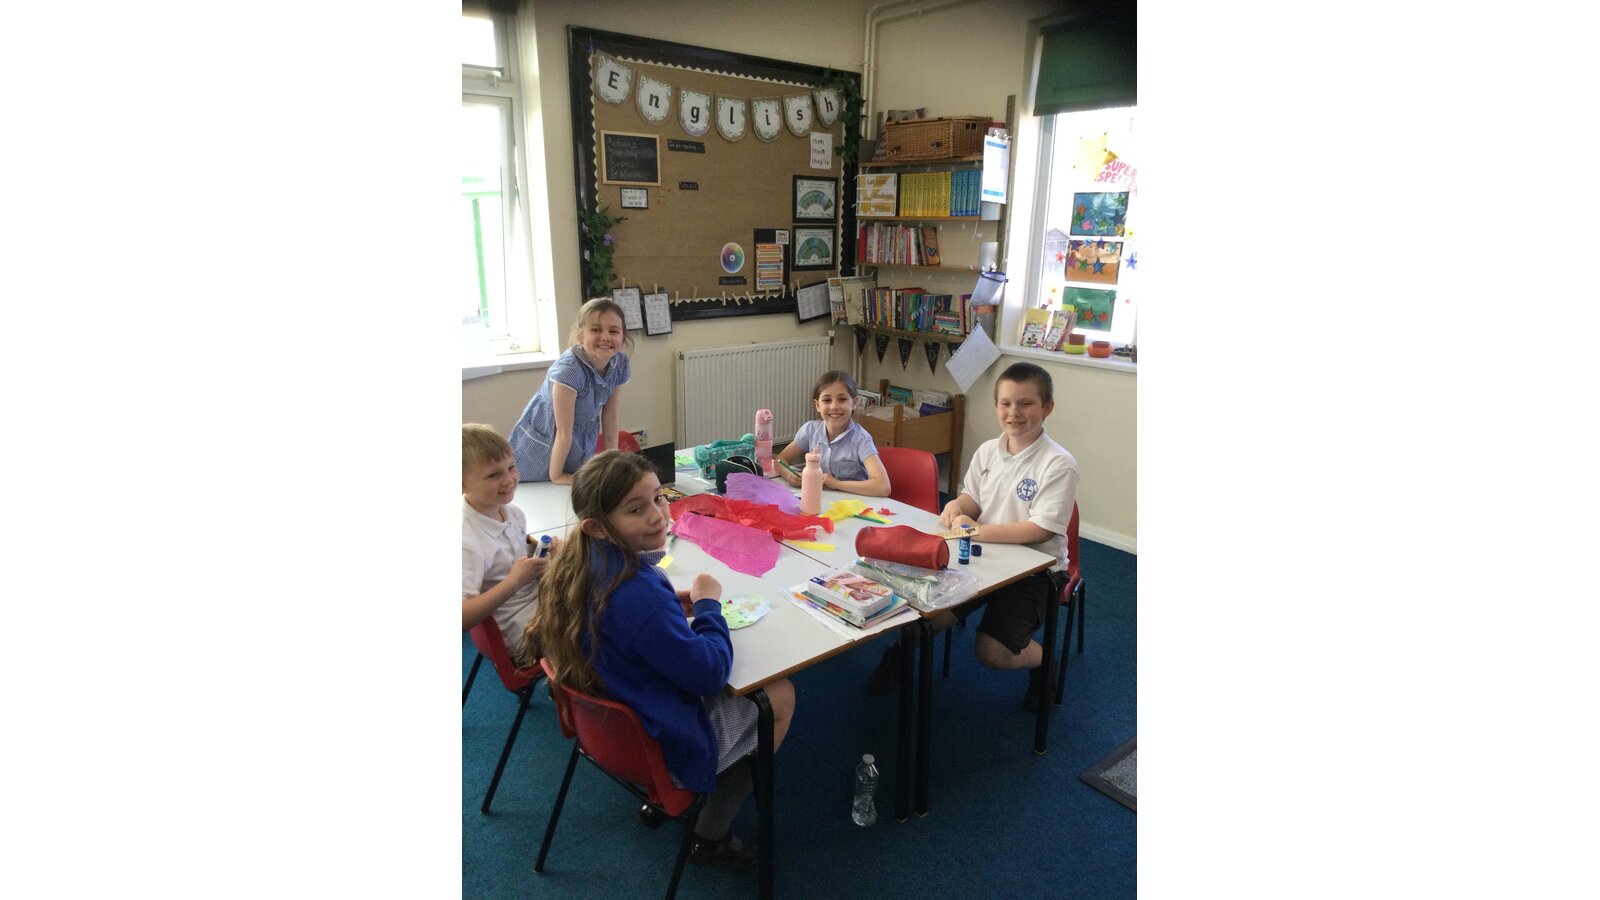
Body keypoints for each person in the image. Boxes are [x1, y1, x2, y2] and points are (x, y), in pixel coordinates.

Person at [519, 450, 796, 869]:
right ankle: (711, 832)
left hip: (615, 723)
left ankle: (674, 799)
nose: (657, 516)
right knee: (779, 695)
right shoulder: (635, 592)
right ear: (598, 526)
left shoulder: (580, 563)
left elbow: (632, 622)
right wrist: (709, 606)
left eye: (658, 498)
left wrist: (668, 605)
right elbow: (709, 673)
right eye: (636, 509)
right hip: (661, 736)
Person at [868, 362, 1078, 711]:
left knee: (992, 652)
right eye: (1006, 403)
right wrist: (956, 506)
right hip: (985, 556)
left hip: (1038, 572)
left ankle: (1044, 662)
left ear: (1047, 407)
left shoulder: (1058, 463)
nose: (1014, 412)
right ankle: (899, 656)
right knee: (924, 615)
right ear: (996, 406)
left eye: (1025, 403)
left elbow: (1039, 530)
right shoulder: (988, 451)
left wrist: (975, 530)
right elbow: (973, 499)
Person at [509, 297, 632, 484]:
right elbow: (563, 432)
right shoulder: (570, 370)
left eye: (613, 331)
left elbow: (610, 418)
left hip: (575, 444)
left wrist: (611, 465)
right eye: (596, 329)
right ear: (580, 335)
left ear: (623, 338)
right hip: (541, 449)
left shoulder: (620, 364)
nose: (606, 337)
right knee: (537, 491)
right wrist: (558, 476)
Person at [462, 424, 557, 648]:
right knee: (600, 622)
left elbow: (508, 561)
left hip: (535, 600)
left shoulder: (513, 513)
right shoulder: (464, 539)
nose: (508, 480)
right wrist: (514, 581)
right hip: (516, 627)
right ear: (463, 484)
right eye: (493, 475)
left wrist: (542, 558)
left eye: (511, 467)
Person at [775, 370, 890, 497]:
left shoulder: (861, 439)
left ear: (854, 403)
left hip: (852, 503)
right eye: (827, 400)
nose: (834, 406)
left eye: (842, 399)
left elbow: (883, 486)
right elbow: (780, 460)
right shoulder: (810, 430)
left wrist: (837, 484)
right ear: (817, 405)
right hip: (820, 499)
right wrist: (789, 475)